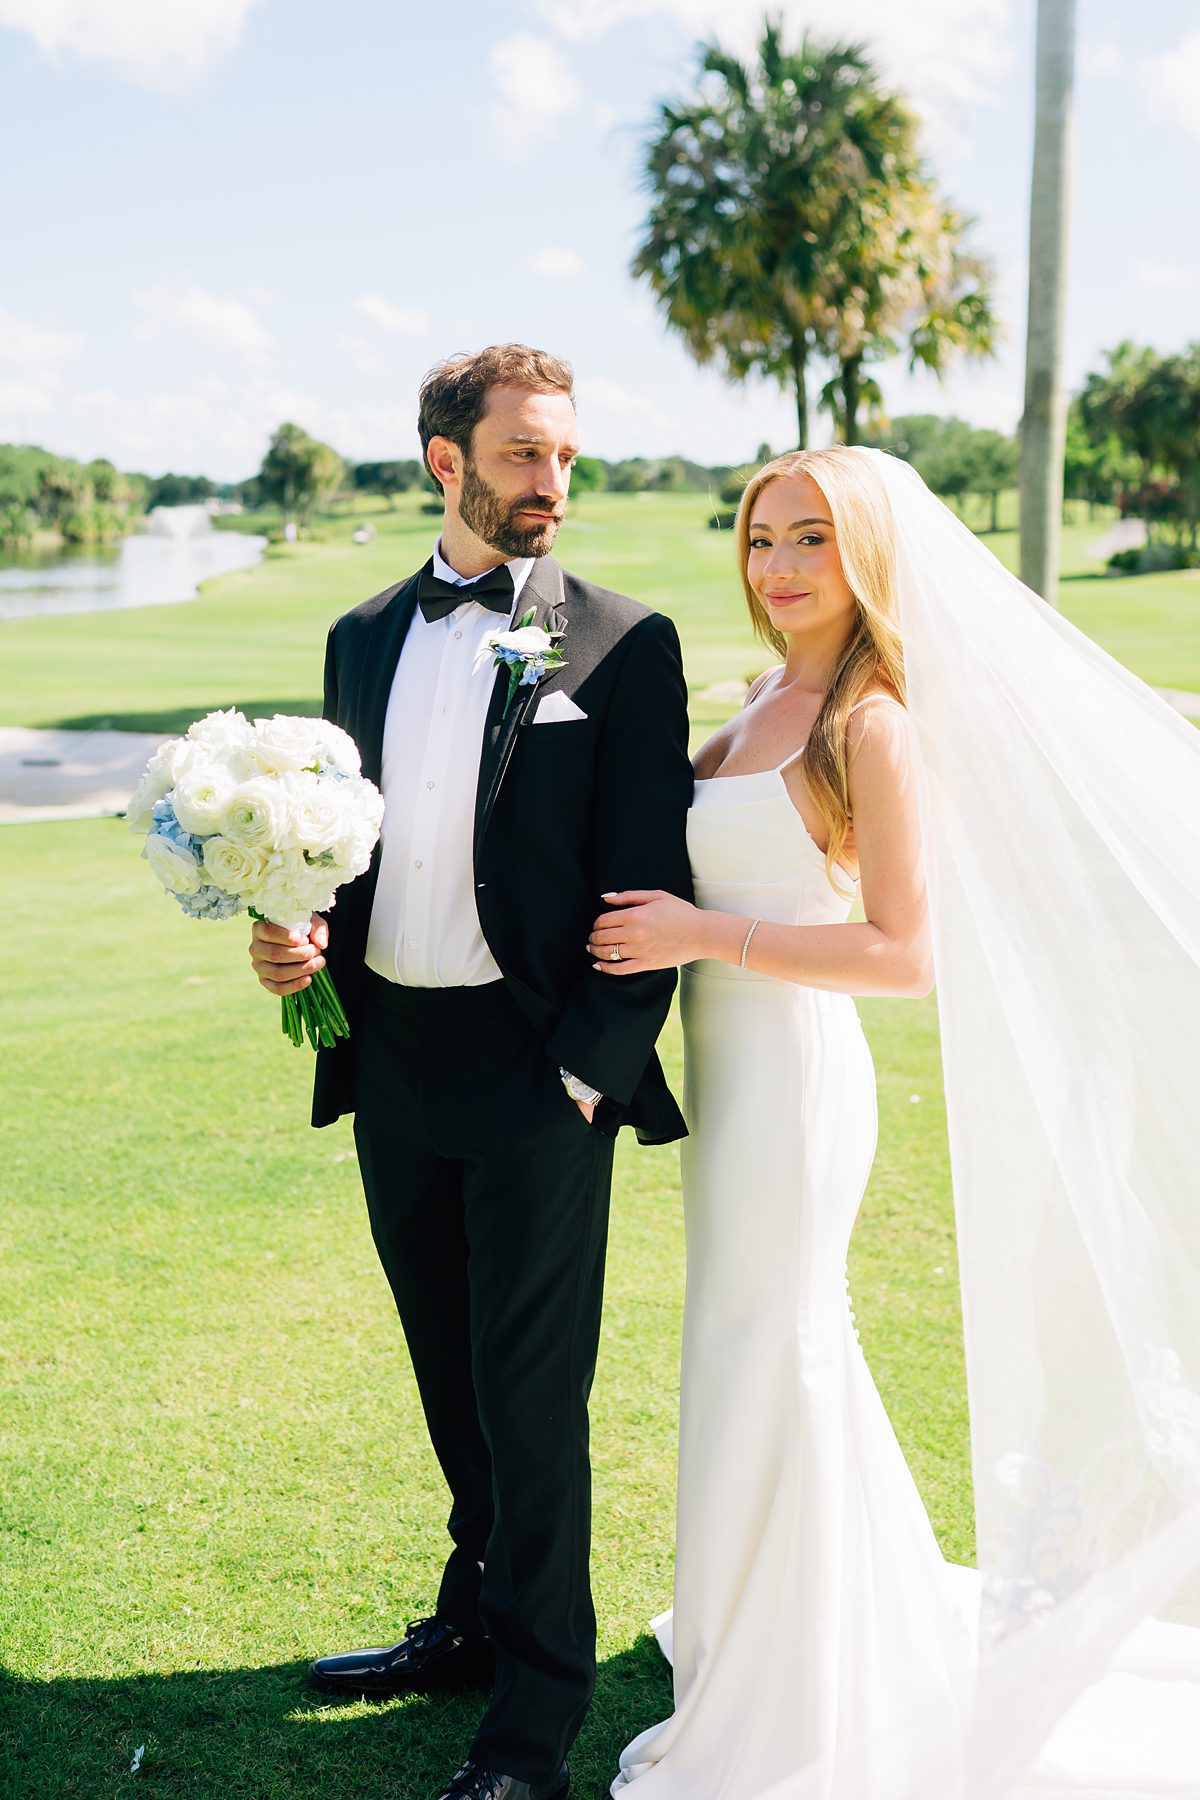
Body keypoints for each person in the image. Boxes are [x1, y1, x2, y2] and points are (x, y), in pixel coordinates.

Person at [590, 447, 1200, 1798]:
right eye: (762, 539)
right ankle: (769, 1635)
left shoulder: (872, 722)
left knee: (787, 1346)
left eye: (811, 539)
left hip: (797, 1079)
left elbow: (901, 955)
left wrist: (704, 932)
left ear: (866, 555)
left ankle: (806, 1685)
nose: (781, 565)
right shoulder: (759, 696)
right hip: (732, 1078)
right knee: (745, 1349)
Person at [250, 344, 694, 1800]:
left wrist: (586, 1077)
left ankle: (533, 1725)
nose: (550, 483)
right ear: (447, 461)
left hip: (535, 1075)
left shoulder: (623, 645)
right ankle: (469, 1618)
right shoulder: (362, 634)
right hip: (395, 1058)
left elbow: (648, 886)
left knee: (531, 1395)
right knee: (450, 1373)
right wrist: (296, 937)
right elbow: (344, 850)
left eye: (564, 455)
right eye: (522, 455)